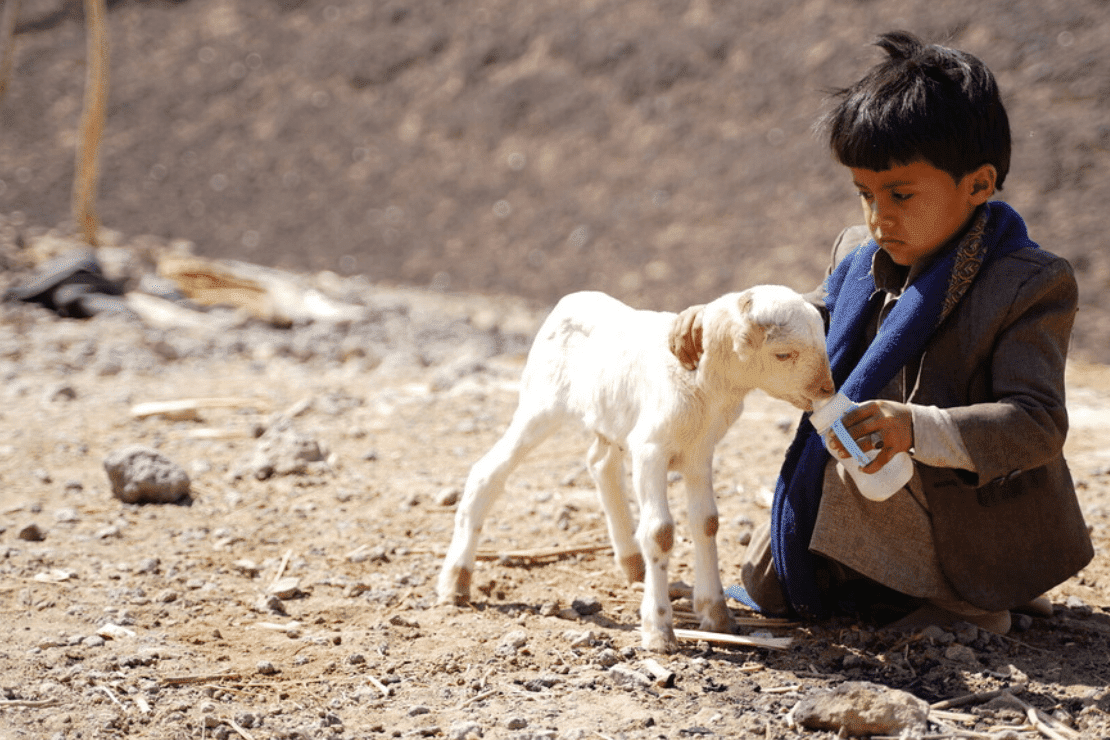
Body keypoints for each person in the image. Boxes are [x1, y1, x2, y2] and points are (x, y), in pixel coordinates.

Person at [669, 30, 1093, 634]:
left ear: (978, 185)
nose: (878, 216)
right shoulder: (857, 255)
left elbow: (1037, 424)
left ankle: (975, 601)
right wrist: (714, 318)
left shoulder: (1028, 283)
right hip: (884, 482)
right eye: (865, 193)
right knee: (770, 581)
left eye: (899, 194)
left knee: (851, 466)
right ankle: (910, 581)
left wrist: (915, 429)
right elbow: (800, 322)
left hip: (977, 508)